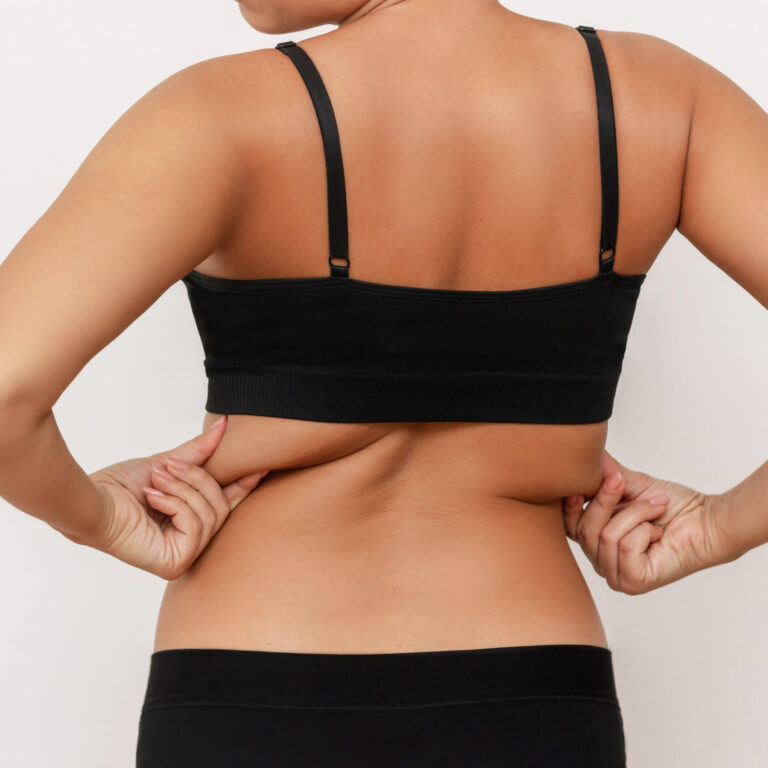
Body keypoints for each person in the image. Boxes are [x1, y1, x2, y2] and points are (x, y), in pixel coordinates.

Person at [0, 1, 765, 766]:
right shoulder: (667, 103)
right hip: (534, 698)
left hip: (247, 695)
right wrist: (719, 528)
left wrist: (101, 519)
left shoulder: (220, 114)